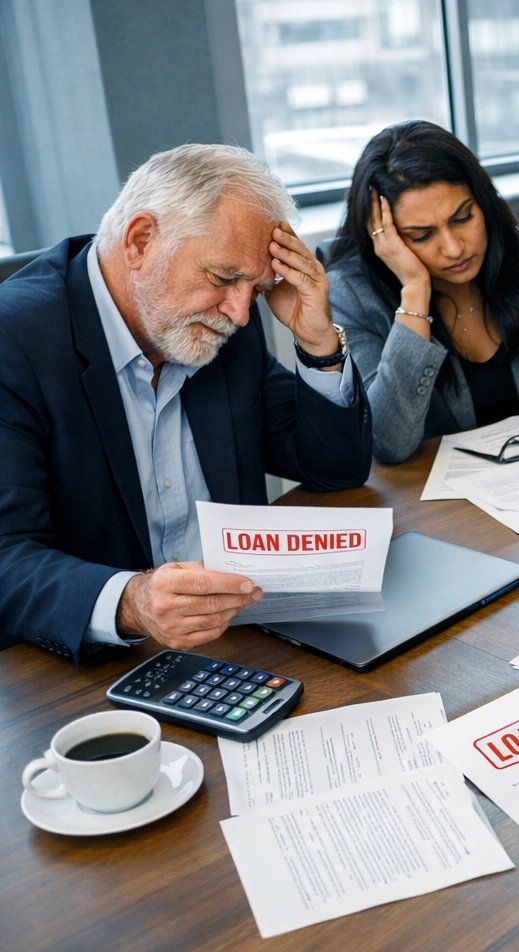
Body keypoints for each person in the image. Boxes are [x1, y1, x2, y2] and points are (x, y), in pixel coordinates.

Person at [0, 144, 371, 661]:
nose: (241, 314)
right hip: (92, 670)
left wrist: (317, 342)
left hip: (245, 638)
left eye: (256, 287)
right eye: (221, 278)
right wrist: (131, 602)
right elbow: (7, 557)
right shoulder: (13, 343)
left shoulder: (221, 323)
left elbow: (334, 469)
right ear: (141, 240)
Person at [326, 121, 519, 464]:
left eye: (463, 218)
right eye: (421, 235)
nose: (453, 248)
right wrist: (415, 291)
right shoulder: (351, 296)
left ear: (484, 201)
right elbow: (389, 442)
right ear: (384, 236)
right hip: (438, 509)